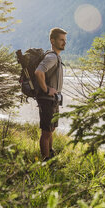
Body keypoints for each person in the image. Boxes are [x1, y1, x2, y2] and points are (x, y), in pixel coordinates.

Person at [34, 27, 67, 161]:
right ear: (52, 41)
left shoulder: (56, 56)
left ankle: (50, 154)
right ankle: (45, 160)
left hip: (53, 100)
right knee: (46, 131)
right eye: (61, 40)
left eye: (65, 40)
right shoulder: (52, 57)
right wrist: (47, 89)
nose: (64, 43)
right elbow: (38, 72)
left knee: (51, 129)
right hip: (47, 99)